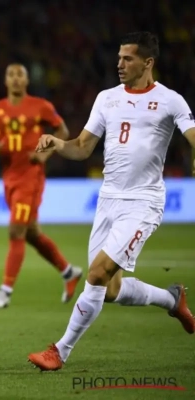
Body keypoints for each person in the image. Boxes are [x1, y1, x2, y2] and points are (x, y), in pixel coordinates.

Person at [27, 32, 195, 371]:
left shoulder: (170, 100)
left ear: (147, 63)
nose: (119, 64)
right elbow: (82, 147)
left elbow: (192, 135)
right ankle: (172, 300)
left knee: (97, 273)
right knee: (111, 289)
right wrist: (57, 143)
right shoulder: (107, 98)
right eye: (119, 57)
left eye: (127, 58)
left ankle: (59, 351)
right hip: (108, 201)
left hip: (143, 202)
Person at [0, 64, 82, 309]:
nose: (16, 79)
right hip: (9, 178)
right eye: (11, 75)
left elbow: (62, 130)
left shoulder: (40, 106)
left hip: (31, 177)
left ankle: (5, 292)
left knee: (16, 231)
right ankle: (69, 272)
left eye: (20, 75)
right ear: (5, 81)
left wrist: (45, 154)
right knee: (32, 234)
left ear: (27, 81)